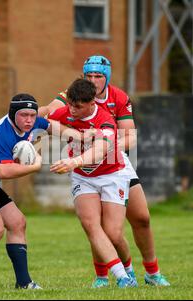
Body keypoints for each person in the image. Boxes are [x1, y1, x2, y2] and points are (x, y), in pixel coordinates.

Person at [40, 55, 170, 287]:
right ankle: (102, 276)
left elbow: (130, 136)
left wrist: (104, 146)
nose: (93, 80)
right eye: (89, 75)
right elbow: (50, 113)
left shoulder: (118, 98)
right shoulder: (74, 95)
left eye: (98, 76)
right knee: (94, 223)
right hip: (85, 167)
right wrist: (25, 118)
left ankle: (152, 272)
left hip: (115, 164)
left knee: (141, 218)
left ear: (107, 77)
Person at [0, 93, 81, 292]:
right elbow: (4, 171)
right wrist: (35, 166)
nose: (29, 120)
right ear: (12, 114)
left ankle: (23, 282)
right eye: (23, 115)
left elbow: (52, 124)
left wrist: (81, 137)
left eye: (32, 115)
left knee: (18, 223)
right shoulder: (3, 133)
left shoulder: (32, 122)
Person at [49, 78, 136, 288]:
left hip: (112, 174)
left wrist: (74, 161)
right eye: (69, 104)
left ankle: (129, 270)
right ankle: (117, 277)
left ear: (92, 103)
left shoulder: (105, 121)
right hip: (83, 177)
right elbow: (43, 122)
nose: (71, 110)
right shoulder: (67, 112)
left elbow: (101, 150)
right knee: (90, 225)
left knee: (114, 233)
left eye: (77, 107)